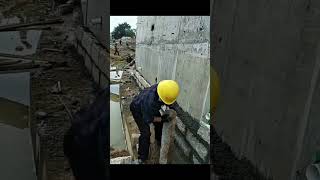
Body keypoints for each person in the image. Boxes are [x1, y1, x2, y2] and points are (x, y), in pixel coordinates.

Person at [130, 80, 180, 164]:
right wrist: (162, 119)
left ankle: (159, 139)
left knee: (159, 125)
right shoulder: (150, 102)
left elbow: (170, 101)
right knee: (146, 133)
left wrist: (174, 109)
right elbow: (148, 119)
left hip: (148, 106)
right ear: (161, 98)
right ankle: (142, 158)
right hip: (137, 109)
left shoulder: (163, 88)